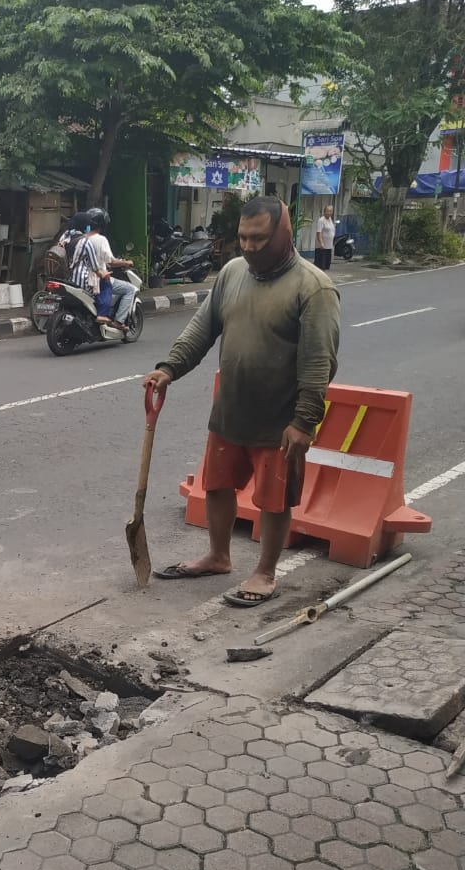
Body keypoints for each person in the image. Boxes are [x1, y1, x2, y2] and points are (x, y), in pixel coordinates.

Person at [145, 195, 340, 606]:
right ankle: (218, 556)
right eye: (243, 238)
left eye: (259, 239)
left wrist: (304, 421)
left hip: (279, 420)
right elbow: (202, 328)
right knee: (216, 485)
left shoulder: (313, 287)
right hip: (231, 410)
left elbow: (319, 361)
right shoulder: (232, 273)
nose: (249, 247)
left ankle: (265, 572)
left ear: (283, 234)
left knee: (273, 499)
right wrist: (169, 368)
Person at [69, 208, 137, 325]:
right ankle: (119, 321)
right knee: (130, 289)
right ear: (103, 224)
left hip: (76, 277)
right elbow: (110, 262)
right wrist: (126, 263)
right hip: (95, 277)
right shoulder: (100, 240)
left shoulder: (78, 239)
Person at [314, 204, 335, 271]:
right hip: (322, 247)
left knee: (326, 265)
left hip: (329, 246)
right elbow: (318, 232)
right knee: (320, 266)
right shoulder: (321, 220)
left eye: (331, 211)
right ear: (324, 211)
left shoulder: (330, 219)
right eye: (327, 211)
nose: (329, 213)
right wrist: (321, 243)